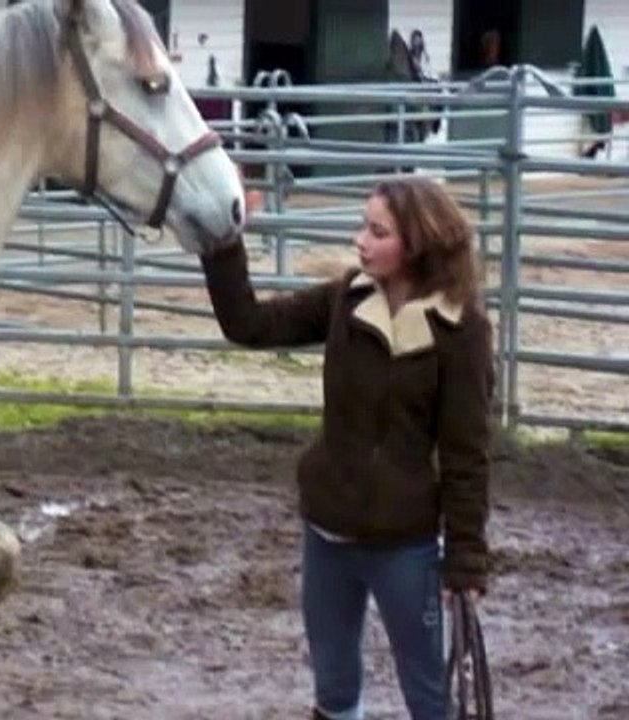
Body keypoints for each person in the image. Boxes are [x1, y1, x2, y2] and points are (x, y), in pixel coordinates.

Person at [199, 177, 494, 720]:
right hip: (327, 531)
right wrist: (223, 242)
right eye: (364, 226)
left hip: (406, 546)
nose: (361, 240)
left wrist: (466, 559)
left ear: (419, 243)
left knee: (431, 697)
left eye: (377, 232)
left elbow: (466, 454)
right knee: (334, 693)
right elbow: (248, 324)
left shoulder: (463, 333)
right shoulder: (345, 298)